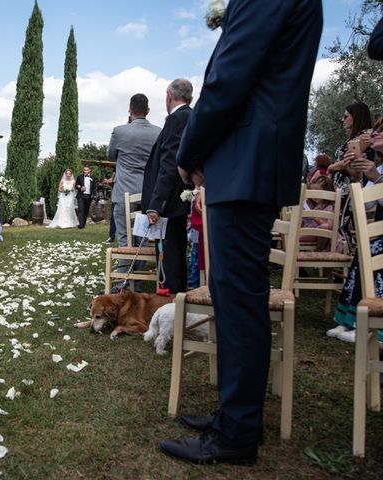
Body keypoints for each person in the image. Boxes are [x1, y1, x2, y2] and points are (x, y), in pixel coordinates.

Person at [165, 0, 323, 465]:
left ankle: (236, 434)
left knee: (239, 300)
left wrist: (189, 149)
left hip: (247, 157)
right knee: (237, 298)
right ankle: (232, 417)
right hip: (254, 157)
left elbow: (229, 75)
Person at [328, 122, 383, 343]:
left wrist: (377, 179)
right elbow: (366, 206)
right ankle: (354, 321)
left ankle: (372, 325)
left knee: (375, 250)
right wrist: (357, 177)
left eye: (381, 130)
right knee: (368, 251)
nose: (374, 133)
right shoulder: (379, 168)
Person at [142, 78, 193, 295]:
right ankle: (176, 298)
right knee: (175, 251)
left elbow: (169, 163)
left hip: (169, 201)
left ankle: (171, 301)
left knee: (168, 253)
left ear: (168, 95)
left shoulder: (177, 119)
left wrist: (156, 203)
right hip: (178, 197)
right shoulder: (191, 117)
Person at [107, 94, 162, 288]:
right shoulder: (159, 132)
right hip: (149, 195)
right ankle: (137, 280)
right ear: (148, 111)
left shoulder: (120, 131)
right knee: (144, 239)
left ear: (130, 110)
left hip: (124, 192)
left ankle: (123, 282)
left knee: (124, 238)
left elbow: (111, 155)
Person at [327, 101, 374, 255]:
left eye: (346, 116)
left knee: (342, 224)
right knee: (342, 223)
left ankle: (347, 259)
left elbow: (350, 160)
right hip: (343, 187)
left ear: (356, 117)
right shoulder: (354, 137)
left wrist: (332, 166)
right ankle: (348, 260)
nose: (343, 119)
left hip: (351, 186)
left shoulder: (365, 135)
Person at [300, 174, 335, 252]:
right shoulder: (307, 204)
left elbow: (330, 226)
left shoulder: (330, 207)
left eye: (318, 192)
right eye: (312, 192)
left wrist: (315, 217)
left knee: (325, 227)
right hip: (305, 231)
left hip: (321, 235)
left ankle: (318, 251)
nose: (315, 196)